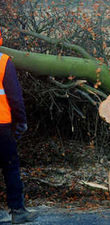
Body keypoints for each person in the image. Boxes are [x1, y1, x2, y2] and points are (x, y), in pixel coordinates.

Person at [0, 29, 38, 223]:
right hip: (2, 126)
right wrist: (21, 121)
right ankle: (18, 211)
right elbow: (15, 97)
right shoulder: (3, 61)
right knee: (10, 167)